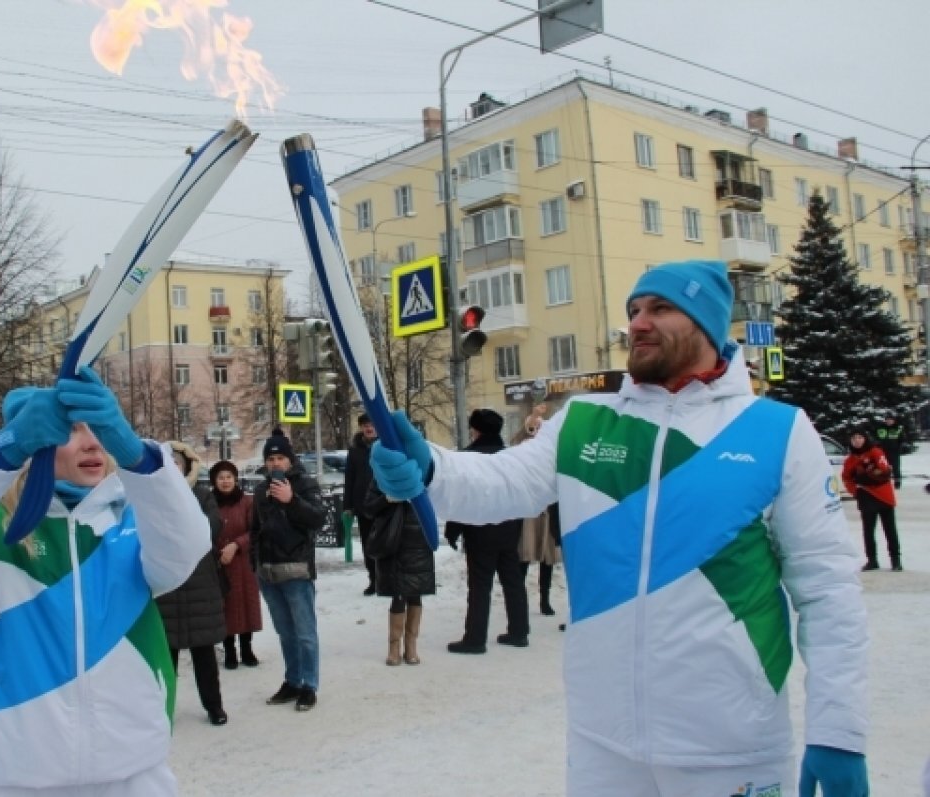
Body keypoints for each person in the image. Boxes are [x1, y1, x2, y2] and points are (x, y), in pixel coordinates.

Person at [370, 260, 869, 796]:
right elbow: (502, 481)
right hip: (603, 743)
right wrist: (431, 469)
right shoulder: (586, 420)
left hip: (730, 748)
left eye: (660, 308)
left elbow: (827, 589)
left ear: (708, 322)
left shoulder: (776, 431)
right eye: (633, 310)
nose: (638, 323)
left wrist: (838, 727)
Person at [0, 366, 210, 796]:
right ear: (38, 441)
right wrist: (4, 449)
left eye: (100, 427)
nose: (92, 442)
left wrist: (140, 457)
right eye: (71, 430)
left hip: (131, 769)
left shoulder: (133, 521)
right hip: (15, 772)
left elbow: (186, 551)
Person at [249, 429, 324, 712]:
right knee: (285, 633)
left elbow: (318, 519)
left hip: (296, 571)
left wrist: (291, 500)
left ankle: (309, 685)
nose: (276, 463)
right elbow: (255, 529)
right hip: (268, 573)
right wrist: (254, 564)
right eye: (271, 458)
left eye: (280, 457)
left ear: (290, 460)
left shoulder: (305, 484)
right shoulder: (260, 490)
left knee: (305, 633)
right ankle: (292, 681)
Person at [442, 409, 529, 654]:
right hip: (509, 526)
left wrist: (453, 528)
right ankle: (519, 632)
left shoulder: (468, 457)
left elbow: (461, 496)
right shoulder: (511, 457)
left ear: (475, 430)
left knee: (480, 585)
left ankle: (475, 638)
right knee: (513, 581)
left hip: (479, 528)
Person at [157, 442, 228, 726]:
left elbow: (212, 527)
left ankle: (215, 707)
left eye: (178, 463)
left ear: (187, 467)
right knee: (166, 656)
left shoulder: (201, 495)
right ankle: (163, 710)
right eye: (168, 462)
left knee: (204, 654)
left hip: (200, 584)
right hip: (166, 587)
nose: (174, 467)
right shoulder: (153, 497)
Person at [361, 482, 434, 666]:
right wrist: (387, 498)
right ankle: (394, 647)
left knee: (416, 592)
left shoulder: (423, 473)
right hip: (393, 540)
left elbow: (439, 500)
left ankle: (411, 645)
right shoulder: (382, 477)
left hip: (418, 539)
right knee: (398, 593)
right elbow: (368, 508)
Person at [209, 460, 262, 670]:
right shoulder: (209, 503)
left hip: (243, 561)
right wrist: (217, 550)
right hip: (218, 562)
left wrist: (236, 545)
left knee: (246, 603)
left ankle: (247, 648)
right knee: (225, 606)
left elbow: (255, 530)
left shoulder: (247, 502)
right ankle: (229, 650)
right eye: (221, 477)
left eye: (229, 477)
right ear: (215, 480)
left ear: (235, 479)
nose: (225, 481)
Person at [511, 416, 562, 617]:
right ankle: (519, 599)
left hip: (548, 510)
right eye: (533, 427)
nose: (536, 430)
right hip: (529, 510)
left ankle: (544, 599)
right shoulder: (523, 449)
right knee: (524, 556)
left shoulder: (553, 452)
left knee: (546, 558)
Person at [842, 429, 902, 572]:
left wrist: (867, 475)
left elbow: (885, 471)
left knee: (890, 529)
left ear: (865, 439)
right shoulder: (850, 460)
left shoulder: (875, 452)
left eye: (860, 437)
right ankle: (872, 560)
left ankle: (896, 560)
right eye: (854, 438)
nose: (857, 440)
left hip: (884, 495)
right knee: (868, 531)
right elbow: (846, 478)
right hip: (865, 496)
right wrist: (855, 491)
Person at [343, 413, 379, 595]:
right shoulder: (355, 450)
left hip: (384, 505)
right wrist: (347, 506)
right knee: (368, 545)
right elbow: (349, 478)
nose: (369, 427)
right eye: (365, 425)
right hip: (363, 505)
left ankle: (387, 578)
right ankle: (373, 579)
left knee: (386, 542)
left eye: (371, 424)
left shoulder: (386, 445)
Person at [874, 413, 905, 489]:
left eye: (890, 420)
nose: (889, 421)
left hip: (894, 451)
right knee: (882, 467)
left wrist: (899, 448)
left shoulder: (897, 428)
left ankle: (897, 482)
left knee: (896, 468)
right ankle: (883, 482)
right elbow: (876, 439)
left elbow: (901, 439)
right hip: (883, 451)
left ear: (893, 421)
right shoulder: (880, 429)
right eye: (887, 420)